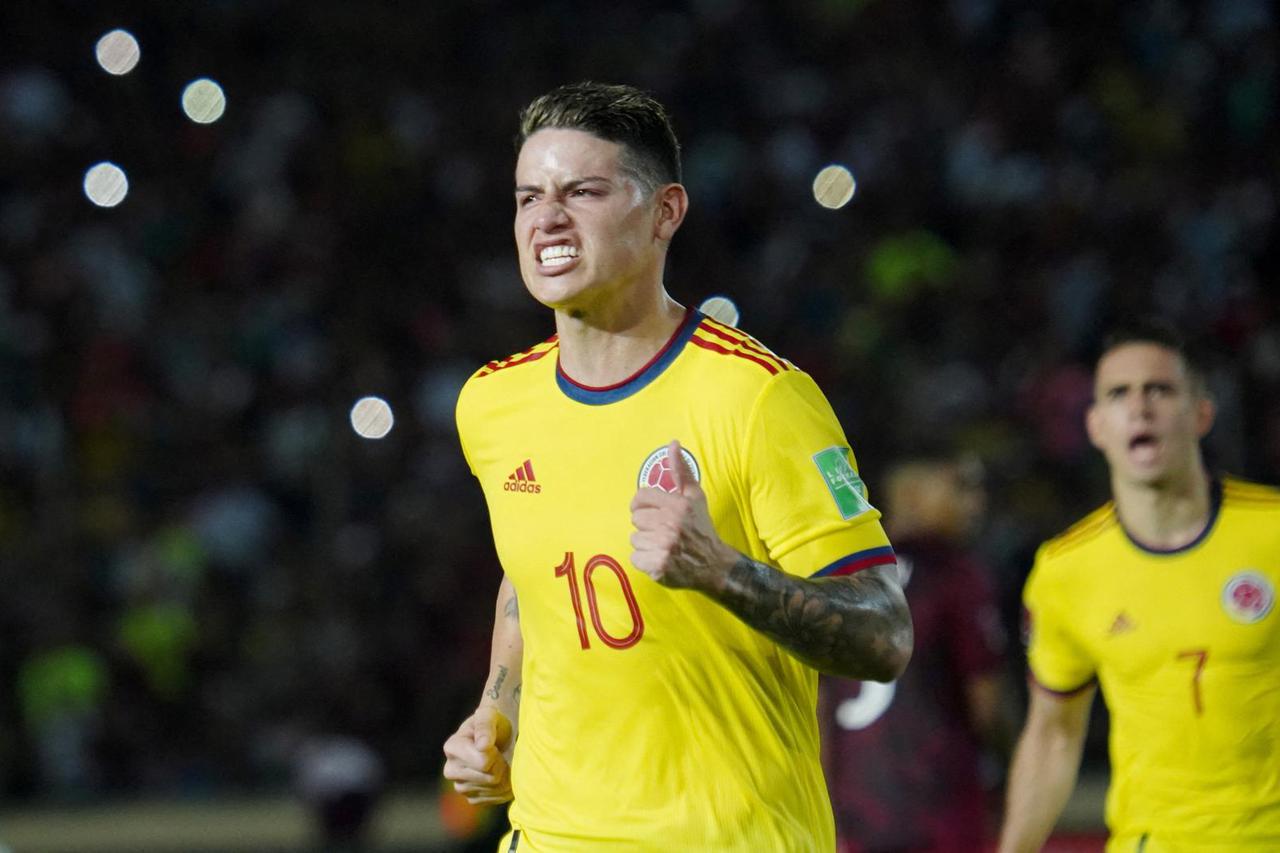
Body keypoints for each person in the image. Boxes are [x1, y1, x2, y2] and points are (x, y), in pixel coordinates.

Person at [440, 81, 913, 851]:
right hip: (552, 834)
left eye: (582, 191)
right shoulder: (492, 404)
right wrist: (499, 705)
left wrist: (724, 571)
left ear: (665, 212)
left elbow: (885, 634)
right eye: (529, 196)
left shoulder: (759, 398)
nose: (547, 218)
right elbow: (530, 575)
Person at [998, 319, 1280, 852]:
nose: (1140, 407)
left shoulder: (1272, 534)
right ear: (1097, 425)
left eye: (1160, 390)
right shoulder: (1066, 570)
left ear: (1202, 413)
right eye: (1119, 394)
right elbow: (1053, 734)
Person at [821, 453, 1008, 853]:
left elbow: (819, 704)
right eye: (959, 488)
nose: (974, 504)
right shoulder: (954, 576)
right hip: (941, 811)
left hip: (858, 809)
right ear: (910, 494)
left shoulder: (845, 576)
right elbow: (986, 703)